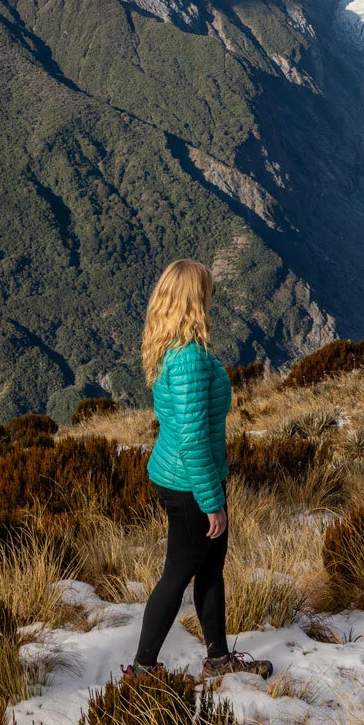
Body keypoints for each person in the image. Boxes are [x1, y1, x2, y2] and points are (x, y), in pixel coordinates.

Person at [129, 259, 273, 680]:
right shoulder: (190, 358)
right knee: (177, 575)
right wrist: (212, 501)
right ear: (194, 298)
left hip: (184, 475)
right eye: (207, 289)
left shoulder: (172, 346)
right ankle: (143, 669)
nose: (213, 296)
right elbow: (192, 438)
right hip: (191, 482)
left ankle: (218, 659)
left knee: (209, 568)